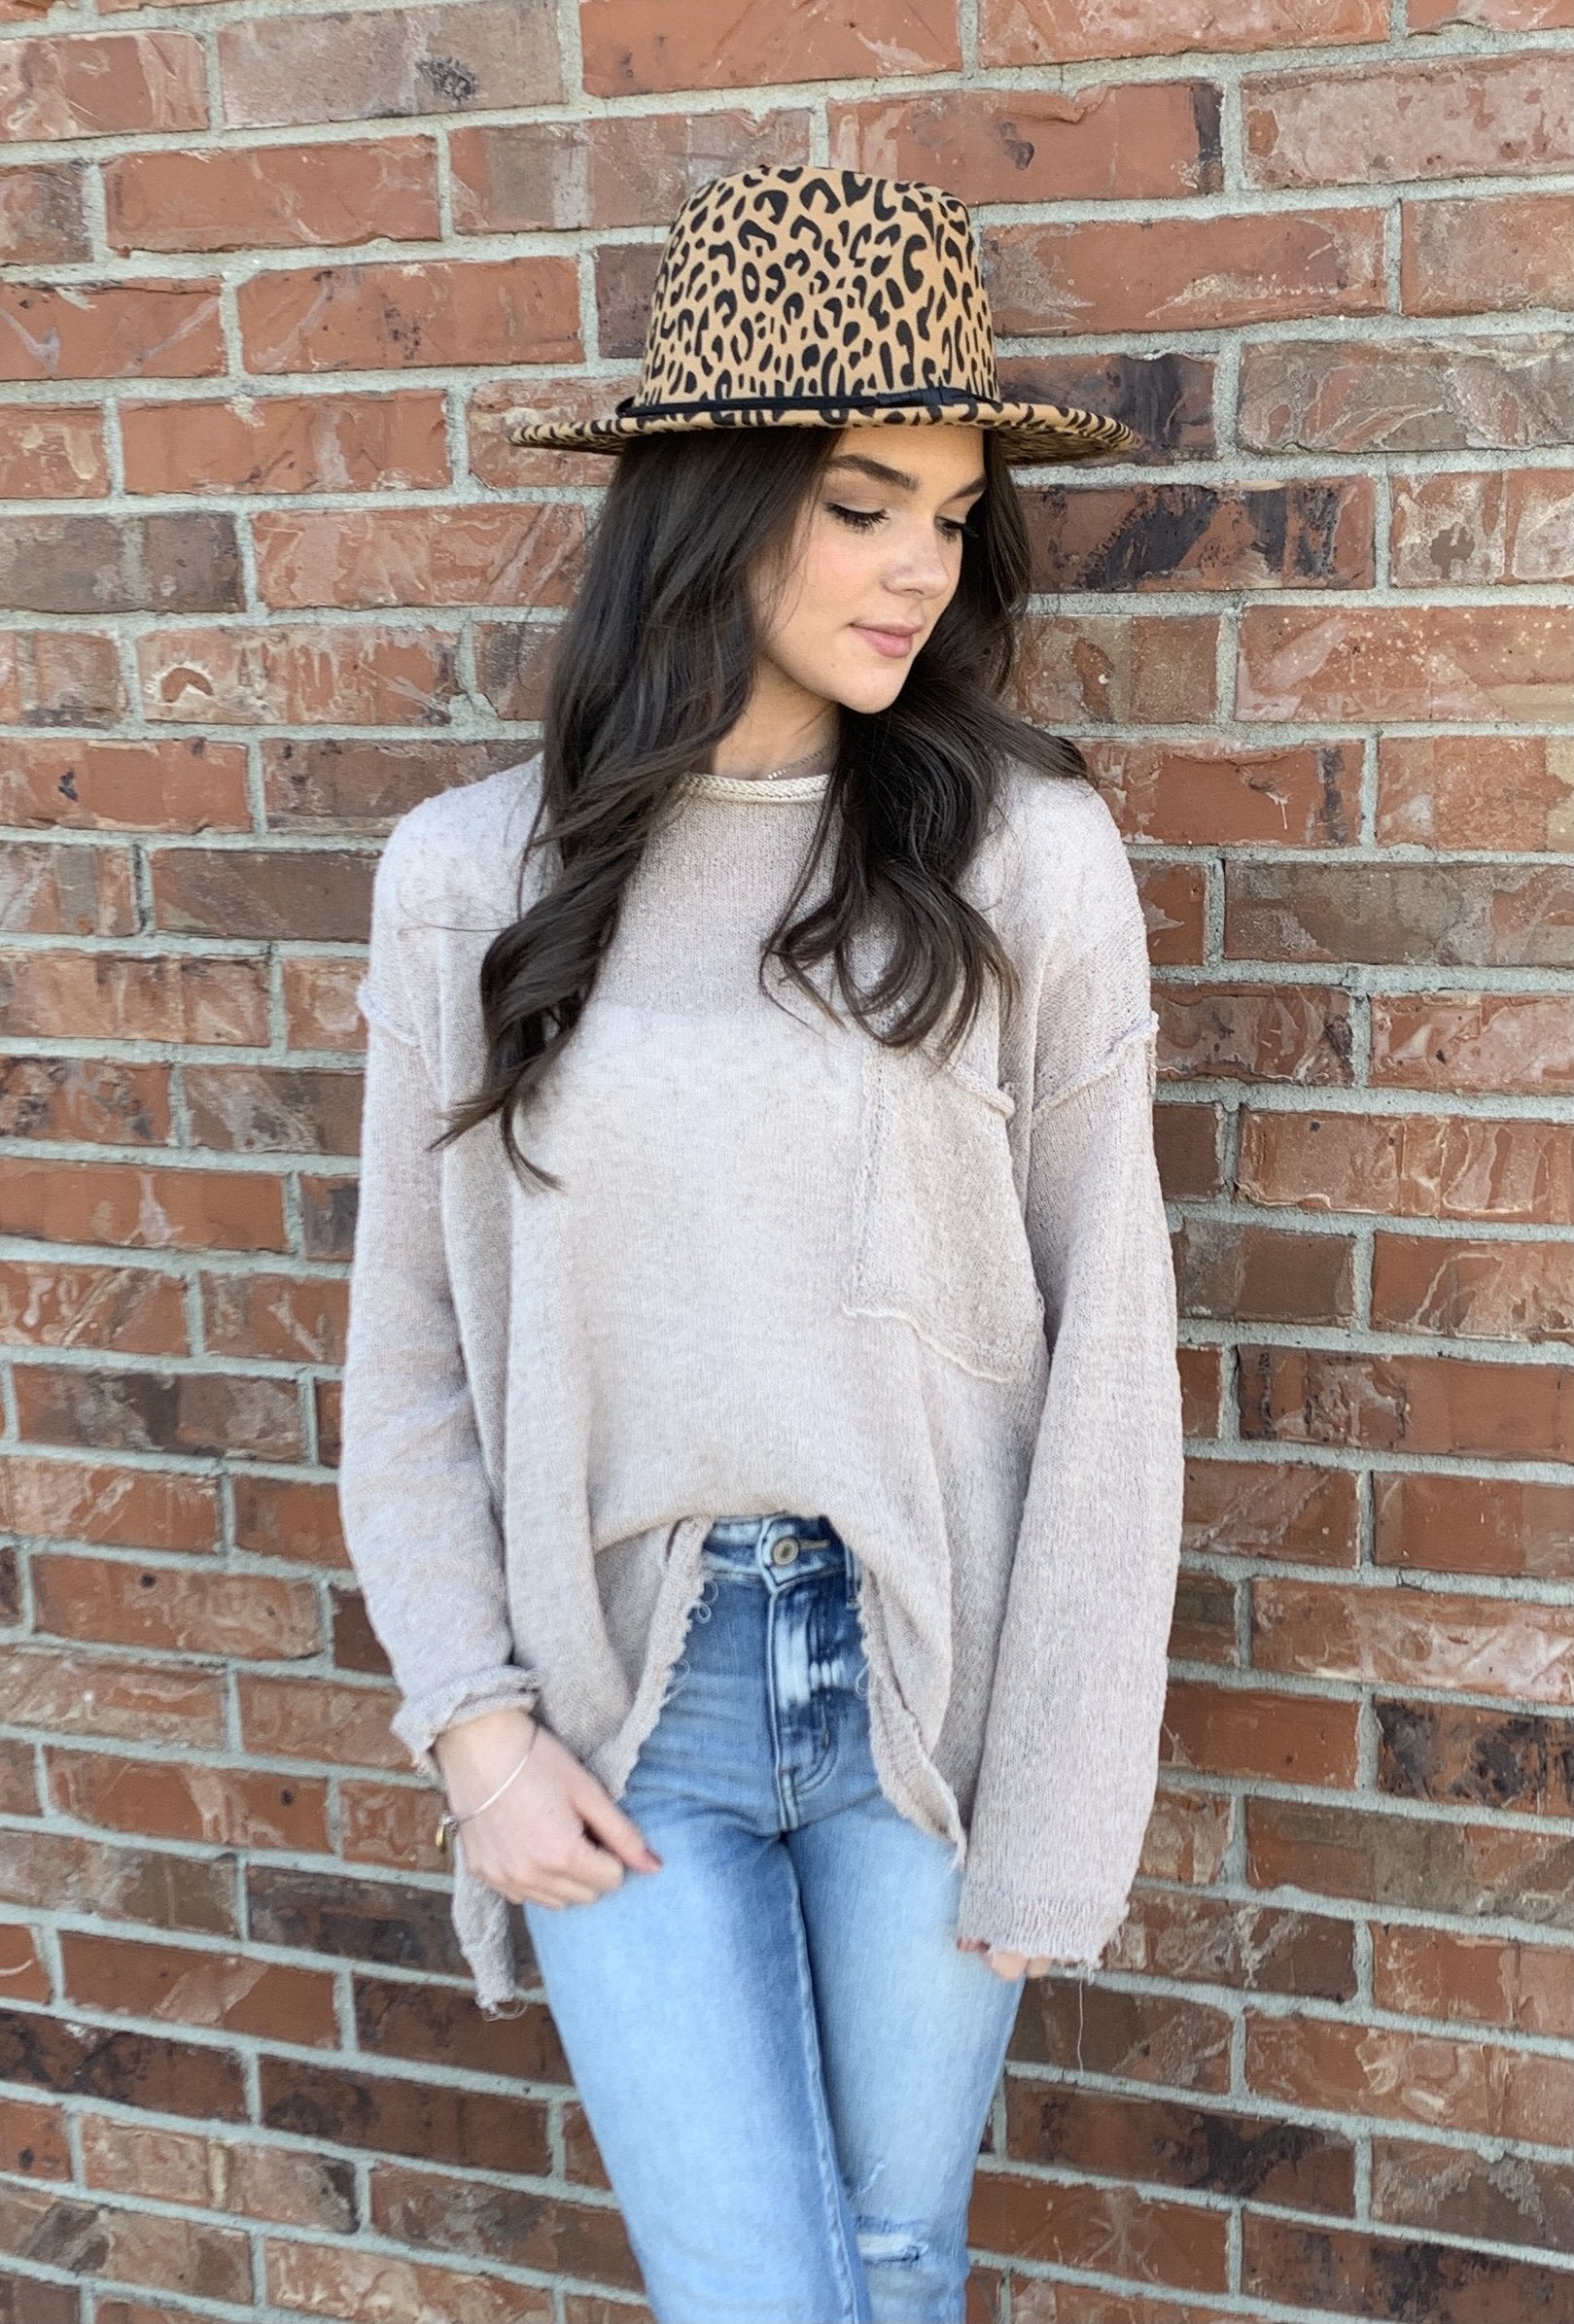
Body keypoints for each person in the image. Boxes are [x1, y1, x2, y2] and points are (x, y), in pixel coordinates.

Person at [338, 163, 1184, 2324]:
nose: (920, 566)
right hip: (632, 1705)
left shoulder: (1026, 858)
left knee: (896, 2263)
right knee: (760, 2291)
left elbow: (1112, 1336)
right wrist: (473, 1731)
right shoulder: (471, 879)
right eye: (861, 502)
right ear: (709, 508)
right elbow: (412, 1347)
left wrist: (1061, 1798)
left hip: (932, 1690)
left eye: (952, 515)